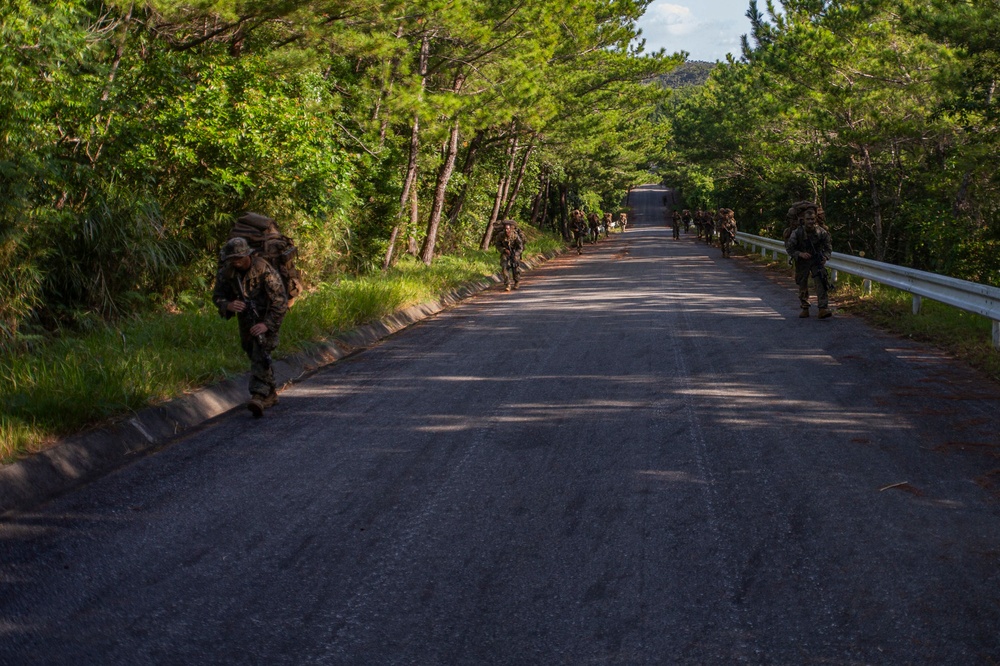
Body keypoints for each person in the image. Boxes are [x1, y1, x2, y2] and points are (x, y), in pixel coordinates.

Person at [212, 236, 289, 417]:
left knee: (260, 350)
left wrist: (267, 325)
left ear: (249, 255)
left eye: (239, 259)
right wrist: (228, 305)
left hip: (267, 316)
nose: (236, 263)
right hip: (245, 319)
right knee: (250, 350)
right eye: (232, 260)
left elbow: (280, 301)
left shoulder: (264, 270)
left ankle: (258, 395)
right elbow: (217, 297)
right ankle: (270, 395)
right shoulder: (227, 272)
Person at [784, 202, 833, 319]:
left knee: (821, 281)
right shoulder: (797, 233)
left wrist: (825, 257)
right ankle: (805, 307)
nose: (810, 221)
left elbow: (828, 246)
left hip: (816, 260)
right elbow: (789, 247)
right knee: (802, 284)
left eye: (812, 219)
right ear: (803, 220)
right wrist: (800, 254)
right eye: (808, 219)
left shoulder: (821, 232)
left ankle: (823, 308)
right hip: (802, 261)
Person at [494, 220, 525, 291]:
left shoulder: (515, 236)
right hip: (505, 253)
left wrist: (516, 254)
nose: (506, 230)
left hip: (515, 252)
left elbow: (520, 247)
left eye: (508, 229)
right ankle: (507, 284)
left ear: (510, 229)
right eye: (505, 229)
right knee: (504, 267)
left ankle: (516, 282)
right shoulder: (500, 235)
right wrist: (504, 250)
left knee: (515, 267)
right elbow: (498, 245)